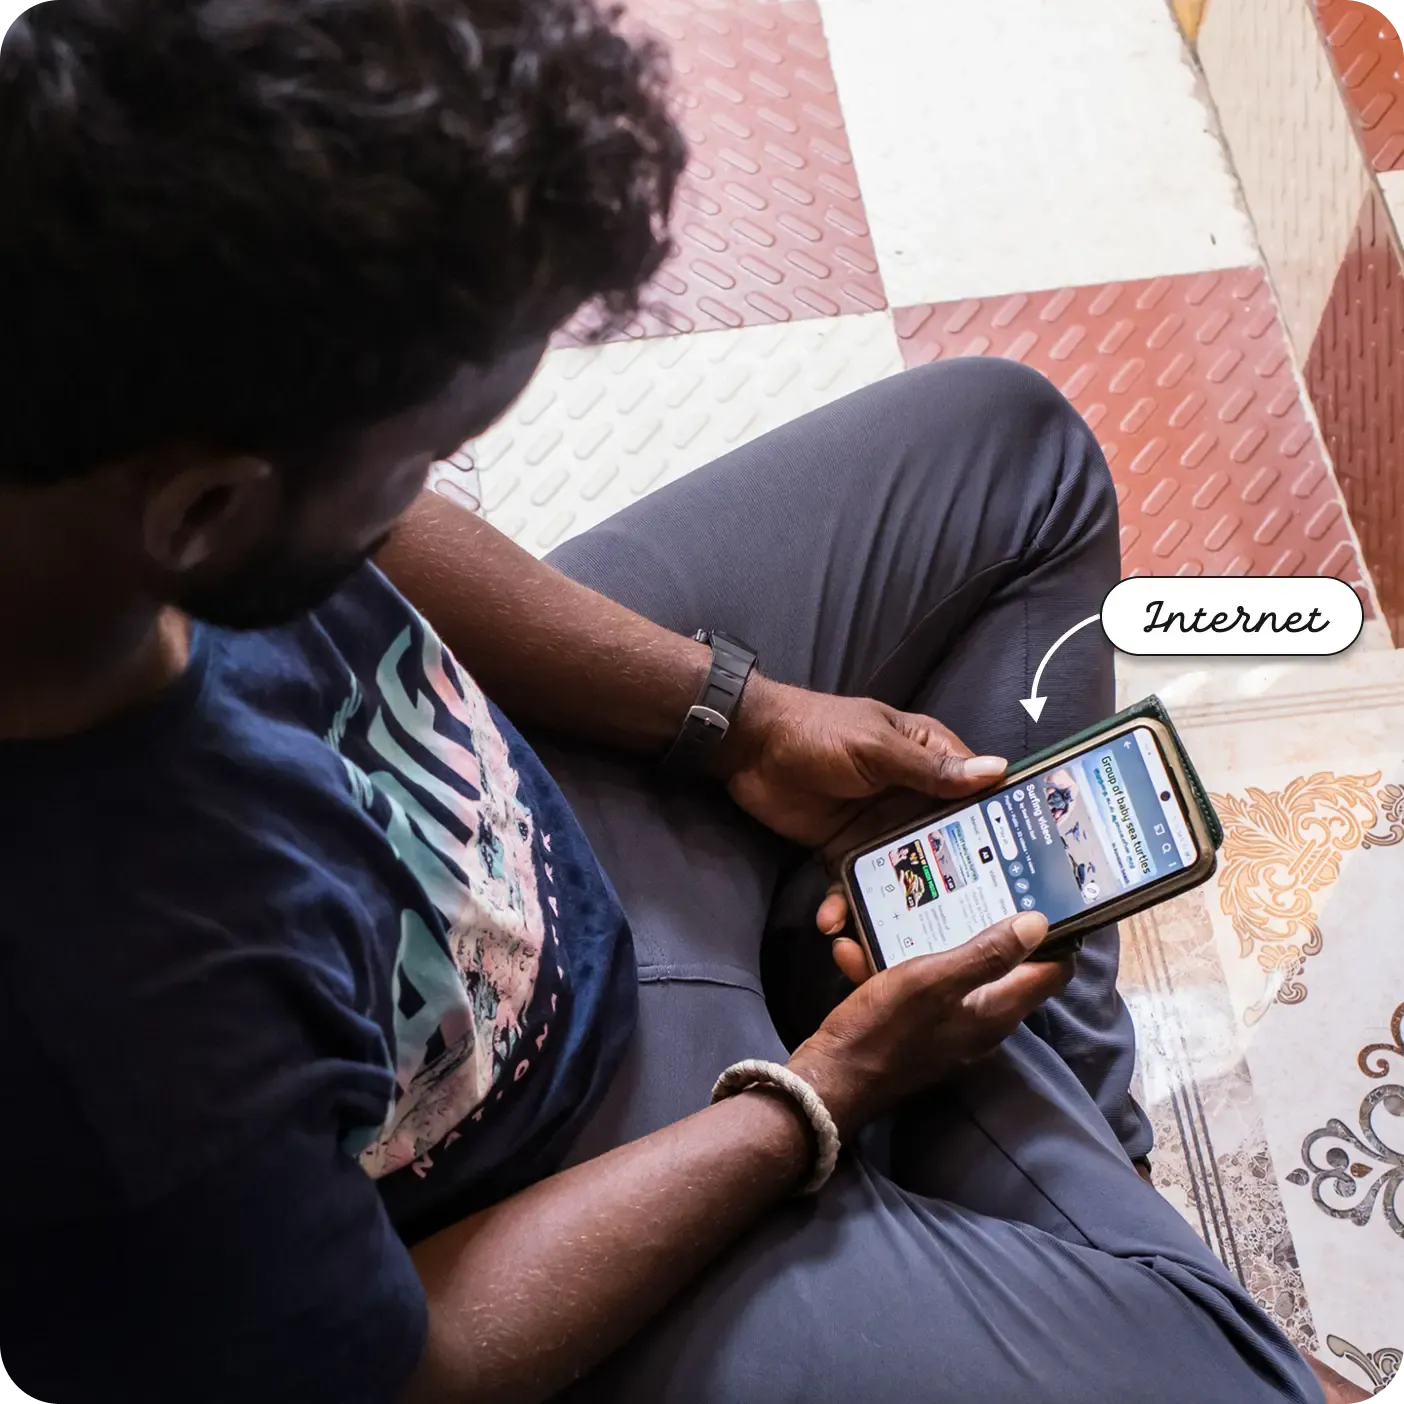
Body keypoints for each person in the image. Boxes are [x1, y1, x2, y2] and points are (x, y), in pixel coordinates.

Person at [0, 3, 1350, 1402]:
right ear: (209, 511)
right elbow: (420, 1367)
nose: (429, 496)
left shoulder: (73, 266)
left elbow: (380, 538)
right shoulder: (102, 1052)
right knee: (1247, 1385)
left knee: (1016, 460)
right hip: (551, 1171)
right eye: (414, 460)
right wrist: (814, 1101)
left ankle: (1035, 1179)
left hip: (557, 809)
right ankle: (1050, 1194)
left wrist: (734, 717)